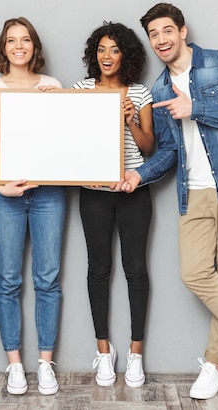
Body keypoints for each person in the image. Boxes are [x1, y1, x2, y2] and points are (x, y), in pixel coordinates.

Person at [113, 2, 218, 404]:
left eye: (167, 31)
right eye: (154, 35)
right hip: (195, 189)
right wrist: (140, 174)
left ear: (182, 31)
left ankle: (215, 365)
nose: (161, 40)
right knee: (197, 273)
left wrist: (197, 108)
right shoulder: (159, 90)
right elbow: (168, 150)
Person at [0, 17, 66, 397]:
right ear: (3, 47)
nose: (19, 46)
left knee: (47, 279)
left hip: (47, 192)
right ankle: (15, 365)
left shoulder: (53, 86)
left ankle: (45, 364)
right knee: (8, 280)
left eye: (25, 39)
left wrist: (54, 108)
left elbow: (64, 137)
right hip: (5, 194)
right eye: (11, 40)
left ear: (34, 46)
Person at [73, 22, 154, 388]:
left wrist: (130, 120)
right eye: (102, 50)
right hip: (94, 194)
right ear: (95, 54)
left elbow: (148, 147)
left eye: (115, 50)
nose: (107, 56)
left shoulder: (139, 93)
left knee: (136, 270)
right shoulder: (80, 90)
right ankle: (104, 351)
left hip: (132, 193)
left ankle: (135, 353)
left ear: (127, 56)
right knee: (98, 269)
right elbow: (65, 136)